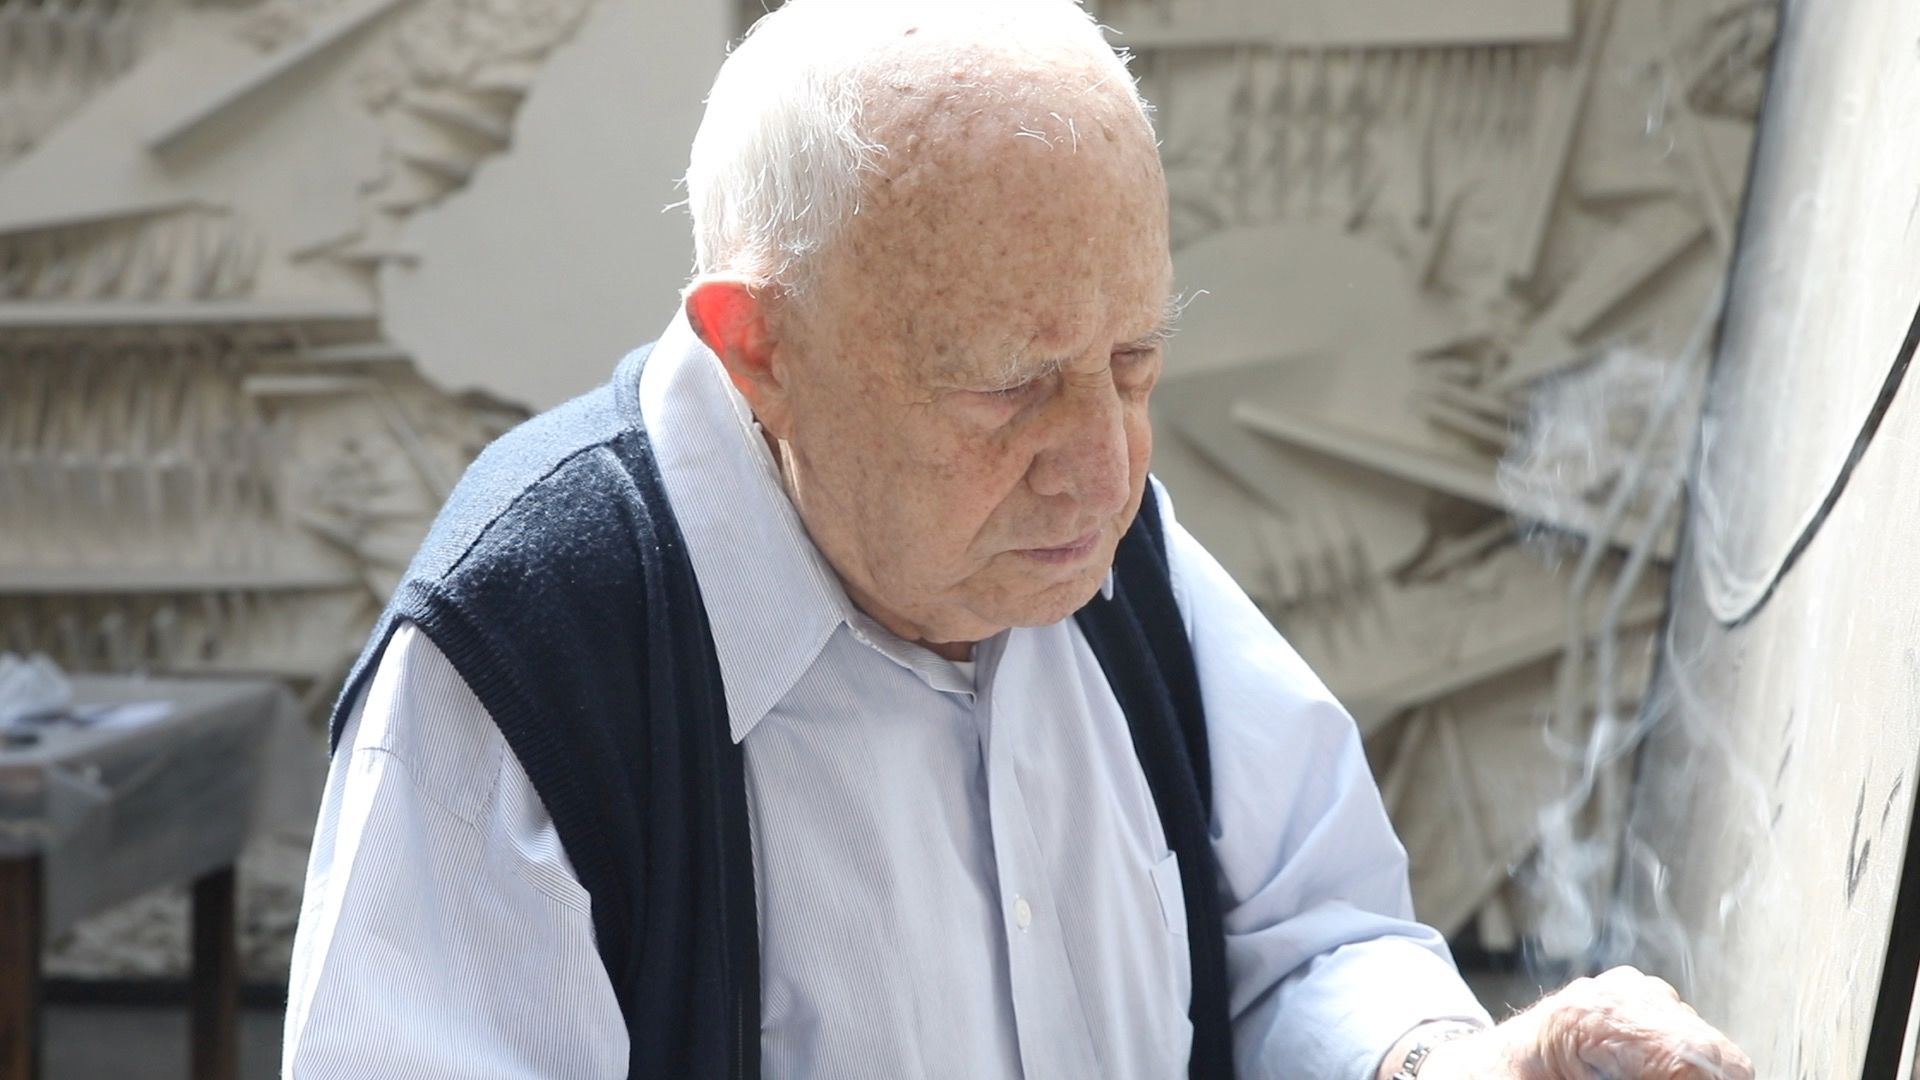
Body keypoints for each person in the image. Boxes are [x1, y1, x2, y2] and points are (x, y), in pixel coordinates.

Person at [281, 3, 1753, 1078]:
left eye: (1132, 363)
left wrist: (1441, 1064)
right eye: (1009, 386)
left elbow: (1299, 934)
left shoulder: (1102, 552)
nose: (1105, 473)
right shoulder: (524, 656)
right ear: (758, 352)